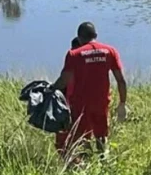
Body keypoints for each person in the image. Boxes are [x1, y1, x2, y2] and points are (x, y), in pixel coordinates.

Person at [52, 22, 128, 156]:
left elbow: (65, 79)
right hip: (101, 102)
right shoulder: (110, 51)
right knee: (101, 136)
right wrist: (122, 103)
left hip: (80, 104)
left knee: (80, 138)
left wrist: (51, 89)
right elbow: (121, 81)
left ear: (79, 38)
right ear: (95, 35)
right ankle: (103, 162)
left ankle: (84, 164)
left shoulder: (74, 54)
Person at [54, 37, 83, 155]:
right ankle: (74, 164)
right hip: (76, 107)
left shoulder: (71, 65)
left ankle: (71, 164)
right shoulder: (92, 67)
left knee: (64, 141)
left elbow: (61, 86)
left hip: (71, 108)